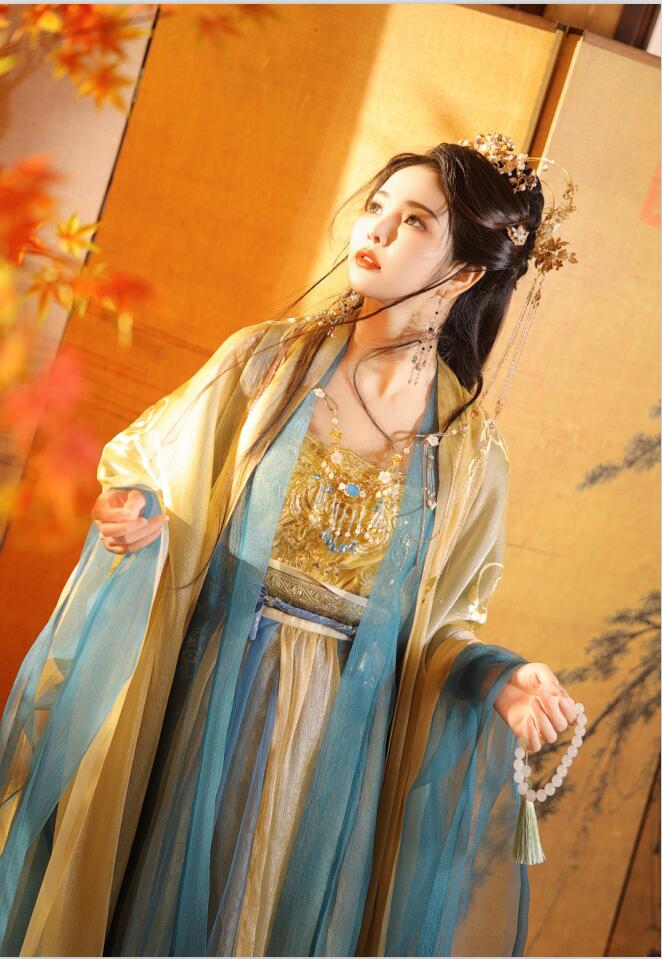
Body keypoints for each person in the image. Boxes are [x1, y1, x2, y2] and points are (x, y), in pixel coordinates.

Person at [0, 138, 579, 957]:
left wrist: (499, 676)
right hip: (206, 689)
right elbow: (154, 465)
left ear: (465, 273)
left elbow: (441, 627)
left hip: (335, 740)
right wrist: (140, 510)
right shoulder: (265, 363)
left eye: (415, 221)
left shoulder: (470, 451)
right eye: (376, 205)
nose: (376, 228)